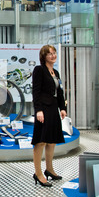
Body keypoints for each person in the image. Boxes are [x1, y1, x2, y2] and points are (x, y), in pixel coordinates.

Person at [31, 45, 67, 187]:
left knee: (51, 141)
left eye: (54, 53)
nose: (53, 56)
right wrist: (38, 110)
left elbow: (60, 92)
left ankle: (49, 169)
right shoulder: (39, 70)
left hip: (53, 109)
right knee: (41, 141)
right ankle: (38, 173)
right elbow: (36, 91)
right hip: (43, 110)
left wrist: (62, 108)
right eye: (49, 54)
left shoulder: (55, 72)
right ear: (43, 56)